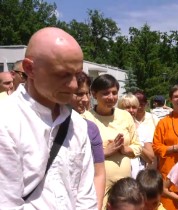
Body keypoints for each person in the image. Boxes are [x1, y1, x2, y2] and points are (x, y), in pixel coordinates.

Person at [0, 27, 97, 208]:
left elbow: (86, 198)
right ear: (30, 69)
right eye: (63, 75)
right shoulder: (5, 121)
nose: (74, 85)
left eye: (77, 74)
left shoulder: (78, 124)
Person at [84, 74, 142, 208]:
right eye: (105, 93)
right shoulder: (85, 119)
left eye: (114, 93)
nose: (111, 97)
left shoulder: (125, 115)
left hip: (124, 185)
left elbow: (137, 146)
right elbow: (79, 154)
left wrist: (125, 149)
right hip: (98, 183)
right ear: (94, 94)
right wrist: (104, 153)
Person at [70, 71, 106, 209]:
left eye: (87, 94)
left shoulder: (90, 128)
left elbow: (99, 173)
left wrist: (96, 206)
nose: (85, 99)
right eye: (79, 94)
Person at [118, 91, 158, 178]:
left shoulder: (143, 129)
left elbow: (150, 158)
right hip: (119, 174)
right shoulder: (114, 127)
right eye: (127, 107)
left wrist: (136, 146)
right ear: (120, 108)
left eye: (134, 107)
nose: (131, 110)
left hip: (138, 176)